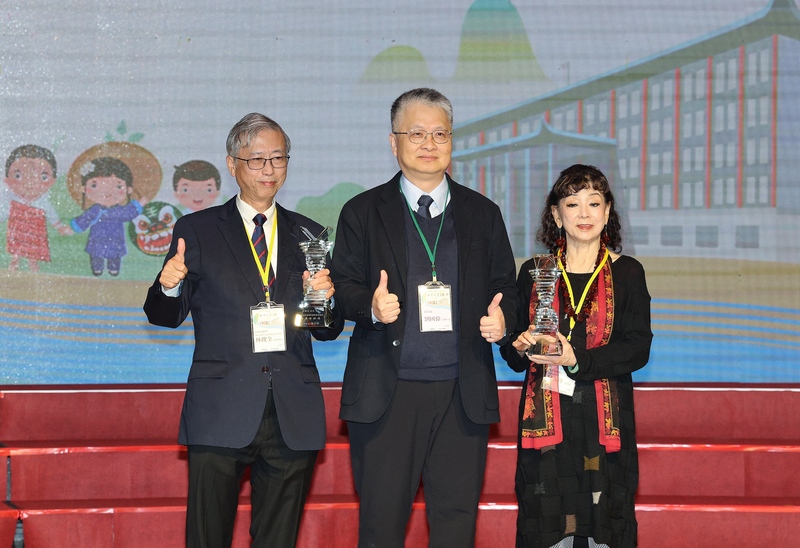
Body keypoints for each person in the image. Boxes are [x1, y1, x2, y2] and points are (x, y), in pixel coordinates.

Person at [143, 112, 343, 548]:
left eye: (278, 158)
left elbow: (325, 330)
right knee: (207, 536)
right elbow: (163, 316)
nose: (269, 169)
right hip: (221, 407)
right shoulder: (196, 230)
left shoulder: (309, 233)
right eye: (256, 160)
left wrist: (322, 299)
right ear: (232, 165)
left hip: (292, 408)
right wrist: (168, 285)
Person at [330, 87, 519, 548]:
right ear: (394, 143)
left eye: (440, 133)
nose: (429, 143)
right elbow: (342, 287)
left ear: (453, 142)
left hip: (462, 391)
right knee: (381, 525)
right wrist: (371, 308)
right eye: (416, 133)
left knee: (456, 526)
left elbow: (508, 289)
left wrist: (504, 323)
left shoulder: (482, 213)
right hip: (386, 394)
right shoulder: (362, 211)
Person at [501, 164, 652, 548]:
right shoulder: (535, 272)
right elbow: (516, 354)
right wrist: (515, 343)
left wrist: (577, 359)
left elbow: (638, 347)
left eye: (593, 203)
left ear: (607, 211)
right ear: (556, 214)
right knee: (548, 526)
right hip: (547, 430)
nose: (584, 214)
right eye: (572, 203)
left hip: (606, 427)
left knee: (606, 525)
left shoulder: (629, 272)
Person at [70, 156, 147, 276]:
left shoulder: (119, 211)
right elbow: (85, 219)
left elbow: (129, 213)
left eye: (118, 186)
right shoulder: (95, 210)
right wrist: (72, 228)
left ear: (129, 189)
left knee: (115, 255)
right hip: (97, 237)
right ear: (84, 188)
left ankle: (114, 268)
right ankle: (97, 268)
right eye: (95, 185)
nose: (107, 191)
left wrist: (140, 204)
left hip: (115, 237)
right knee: (96, 253)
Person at [3, 144, 72, 272]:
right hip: (17, 227)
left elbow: (51, 213)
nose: (30, 182)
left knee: (33, 247)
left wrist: (59, 227)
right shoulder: (11, 199)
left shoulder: (42, 202)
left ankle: (33, 263)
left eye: (43, 177)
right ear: (7, 180)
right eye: (18, 176)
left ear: (52, 181)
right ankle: (14, 261)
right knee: (16, 244)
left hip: (35, 228)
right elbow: (3, 211)